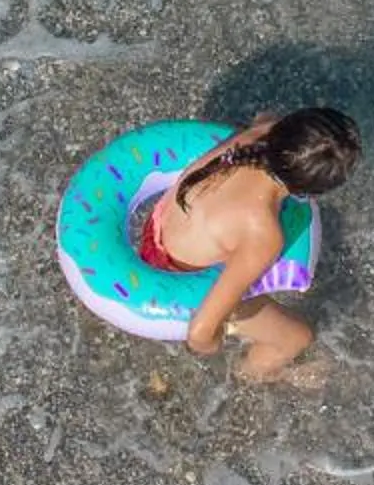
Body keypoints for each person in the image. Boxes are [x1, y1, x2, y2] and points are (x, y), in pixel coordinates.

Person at [134, 107, 360, 387]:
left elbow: (265, 114)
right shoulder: (263, 234)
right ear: (311, 193)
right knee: (296, 338)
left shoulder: (261, 131)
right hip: (176, 280)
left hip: (157, 229)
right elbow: (199, 333)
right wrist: (216, 341)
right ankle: (248, 377)